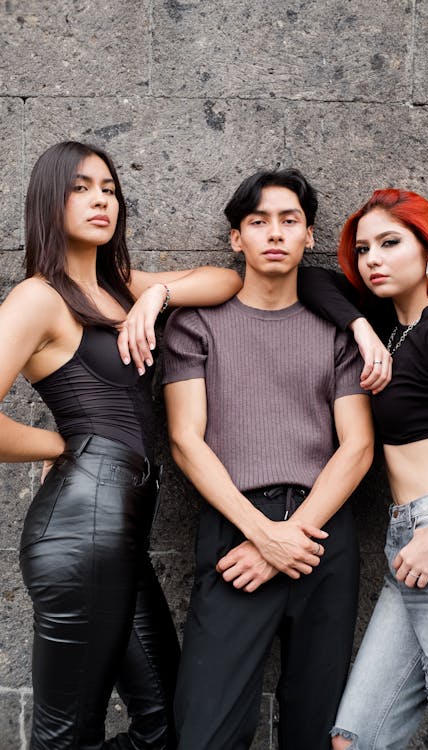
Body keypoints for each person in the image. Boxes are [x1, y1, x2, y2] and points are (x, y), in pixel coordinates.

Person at [0, 140, 242, 750]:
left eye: (108, 188)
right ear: (49, 201)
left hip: (119, 536)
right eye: (81, 187)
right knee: (66, 735)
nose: (100, 199)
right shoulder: (39, 297)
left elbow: (225, 281)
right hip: (80, 527)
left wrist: (157, 296)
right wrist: (60, 445)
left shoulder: (122, 286)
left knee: (168, 727)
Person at [161, 168, 374, 750]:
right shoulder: (195, 322)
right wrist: (260, 535)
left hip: (321, 534)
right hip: (235, 532)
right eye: (258, 222)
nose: (274, 234)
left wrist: (285, 540)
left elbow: (357, 446)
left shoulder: (336, 329)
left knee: (316, 726)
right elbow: (186, 440)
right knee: (206, 732)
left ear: (309, 236)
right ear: (237, 238)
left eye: (290, 221)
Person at [297, 188, 428, 749]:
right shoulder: (389, 327)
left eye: (390, 243)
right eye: (363, 250)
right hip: (407, 541)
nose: (373, 260)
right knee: (354, 739)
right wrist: (360, 328)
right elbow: (310, 280)